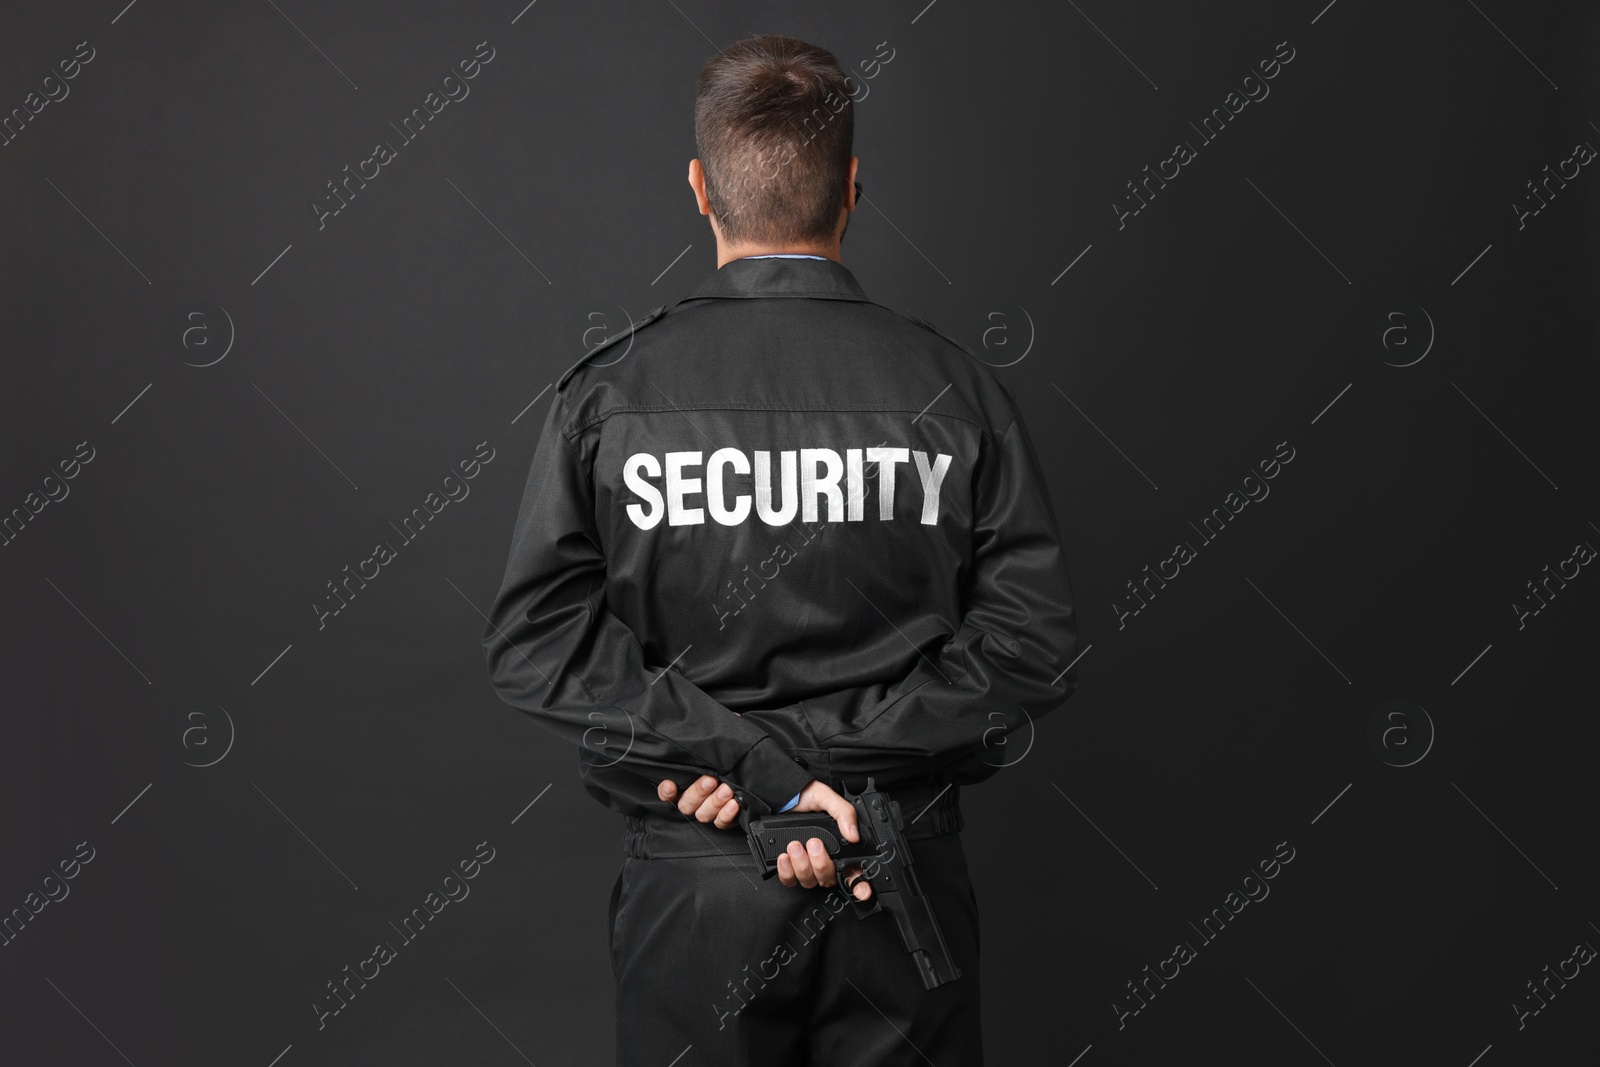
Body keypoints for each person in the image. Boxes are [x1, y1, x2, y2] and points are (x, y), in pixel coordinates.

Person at [482, 33, 1078, 1066]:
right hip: (891, 862)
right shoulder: (956, 390)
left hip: (700, 879)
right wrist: (829, 783)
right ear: (853, 187)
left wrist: (759, 777)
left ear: (700, 189)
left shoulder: (612, 396)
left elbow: (539, 645)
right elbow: (1033, 643)